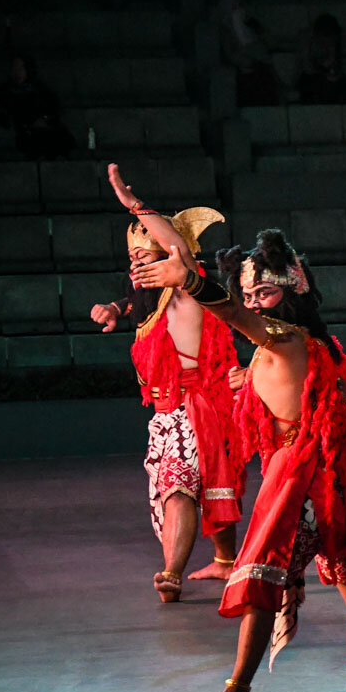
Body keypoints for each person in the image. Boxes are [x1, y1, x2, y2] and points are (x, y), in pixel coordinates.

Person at [132, 225, 346, 692]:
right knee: (338, 563)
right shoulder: (309, 343)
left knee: (259, 573)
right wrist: (247, 379)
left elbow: (236, 318)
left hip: (299, 476)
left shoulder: (283, 335)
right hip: (322, 475)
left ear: (293, 290)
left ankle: (237, 689)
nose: (255, 302)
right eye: (250, 293)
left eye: (266, 292)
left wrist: (190, 282)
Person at [94, 164, 244, 601]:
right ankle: (224, 561)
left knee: (179, 487)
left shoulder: (187, 285)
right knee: (191, 489)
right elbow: (142, 304)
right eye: (132, 259)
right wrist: (116, 308)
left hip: (191, 408)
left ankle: (171, 573)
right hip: (165, 412)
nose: (136, 263)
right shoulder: (156, 301)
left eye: (146, 256)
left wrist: (134, 205)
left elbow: (175, 251)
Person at [0, 54, 72, 159]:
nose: (17, 71)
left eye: (21, 67)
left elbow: (53, 108)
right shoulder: (4, 90)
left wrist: (44, 119)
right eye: (15, 67)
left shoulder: (39, 89)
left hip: (39, 128)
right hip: (18, 130)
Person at [218, 0, 279, 106]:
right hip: (247, 77)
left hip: (265, 73)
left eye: (240, 5)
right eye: (234, 7)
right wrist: (251, 62)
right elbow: (231, 55)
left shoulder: (253, 24)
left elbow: (271, 42)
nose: (239, 10)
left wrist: (256, 27)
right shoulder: (225, 31)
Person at [297, 13, 346, 104]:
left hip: (339, 76)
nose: (327, 43)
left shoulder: (345, 40)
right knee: (310, 86)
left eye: (330, 39)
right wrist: (323, 68)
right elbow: (308, 68)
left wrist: (333, 67)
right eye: (323, 40)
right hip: (313, 77)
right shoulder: (305, 41)